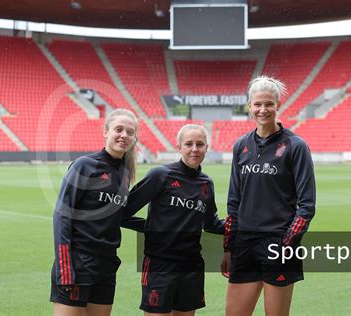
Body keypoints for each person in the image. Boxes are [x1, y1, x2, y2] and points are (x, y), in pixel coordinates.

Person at [222, 76, 316, 316]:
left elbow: (306, 206)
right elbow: (234, 200)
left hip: (279, 243)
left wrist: (286, 244)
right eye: (257, 104)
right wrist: (228, 247)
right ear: (249, 106)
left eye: (268, 104)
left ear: (278, 105)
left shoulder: (296, 146)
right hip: (245, 244)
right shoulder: (240, 145)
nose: (263, 110)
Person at [124, 124, 225, 315]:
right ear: (179, 147)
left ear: (206, 148)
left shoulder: (206, 183)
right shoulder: (160, 175)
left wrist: (240, 224)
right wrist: (152, 227)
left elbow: (211, 224)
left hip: (192, 266)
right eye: (189, 144)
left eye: (200, 144)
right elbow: (123, 213)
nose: (194, 149)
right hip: (160, 264)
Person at [50, 109, 140, 316]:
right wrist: (65, 269)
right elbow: (62, 217)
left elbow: (119, 215)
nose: (124, 135)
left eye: (130, 132)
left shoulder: (125, 174)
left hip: (107, 266)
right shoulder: (85, 165)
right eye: (118, 129)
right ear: (106, 132)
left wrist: (165, 226)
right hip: (78, 263)